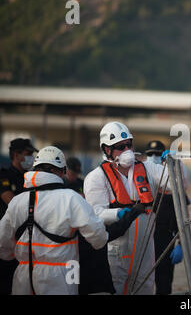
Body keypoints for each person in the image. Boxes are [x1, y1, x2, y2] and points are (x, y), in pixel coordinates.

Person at [0, 146, 109, 295]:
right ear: (61, 171)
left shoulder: (16, 202)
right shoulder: (71, 198)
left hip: (23, 274)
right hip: (64, 273)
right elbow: (99, 238)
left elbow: (3, 246)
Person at [83, 121, 172, 295]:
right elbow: (95, 213)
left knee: (145, 288)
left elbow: (176, 184)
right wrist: (119, 213)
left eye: (129, 145)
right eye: (120, 147)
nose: (127, 151)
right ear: (107, 150)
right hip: (116, 248)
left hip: (145, 247)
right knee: (115, 288)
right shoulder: (96, 177)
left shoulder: (148, 168)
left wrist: (173, 164)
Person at [144, 140, 184, 295]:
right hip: (146, 237)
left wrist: (180, 243)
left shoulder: (172, 178)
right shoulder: (142, 179)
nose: (154, 157)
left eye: (157, 154)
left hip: (166, 238)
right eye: (150, 154)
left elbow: (182, 215)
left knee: (164, 283)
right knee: (142, 281)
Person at [0, 138, 37, 295]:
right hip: (7, 238)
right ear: (16, 155)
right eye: (28, 154)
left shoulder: (31, 178)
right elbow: (10, 200)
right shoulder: (4, 175)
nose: (31, 158)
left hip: (29, 238)